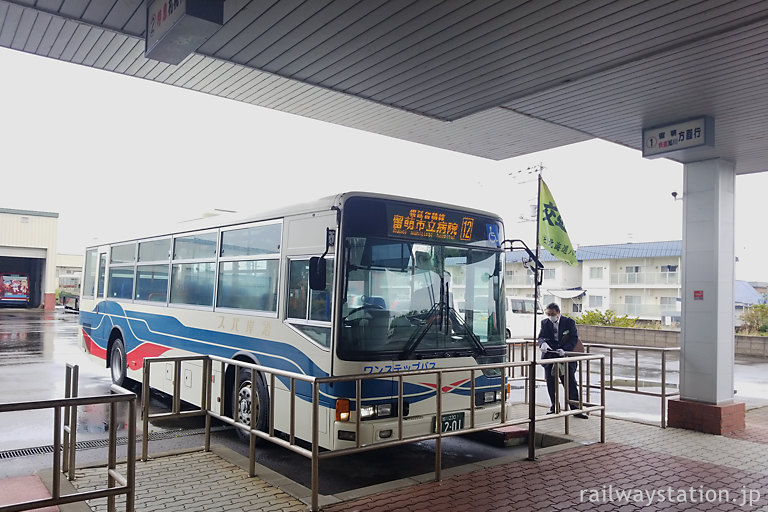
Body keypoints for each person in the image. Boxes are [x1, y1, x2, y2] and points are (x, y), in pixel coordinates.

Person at [537, 303, 588, 419]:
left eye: (553, 314)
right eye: (548, 314)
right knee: (551, 382)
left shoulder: (569, 322)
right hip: (550, 356)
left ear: (558, 313)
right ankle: (554, 407)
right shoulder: (545, 323)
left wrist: (565, 350)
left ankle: (576, 409)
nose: (550, 317)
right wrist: (542, 343)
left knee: (570, 383)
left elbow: (574, 338)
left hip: (565, 357)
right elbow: (541, 337)